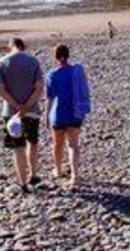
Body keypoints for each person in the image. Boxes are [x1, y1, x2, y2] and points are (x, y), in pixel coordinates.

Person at [0, 38, 46, 191]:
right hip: (31, 110)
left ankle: (22, 182)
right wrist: (27, 106)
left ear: (10, 47)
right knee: (32, 142)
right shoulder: (33, 61)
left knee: (18, 147)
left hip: (11, 112)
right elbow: (39, 88)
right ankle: (33, 173)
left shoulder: (3, 62)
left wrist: (16, 106)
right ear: (23, 46)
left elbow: (0, 89)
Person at [44, 44, 91, 187]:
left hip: (58, 114)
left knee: (57, 144)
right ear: (68, 55)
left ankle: (57, 170)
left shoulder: (52, 74)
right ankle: (75, 175)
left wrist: (46, 116)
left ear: (56, 57)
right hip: (74, 112)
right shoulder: (76, 72)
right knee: (73, 145)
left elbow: (50, 98)